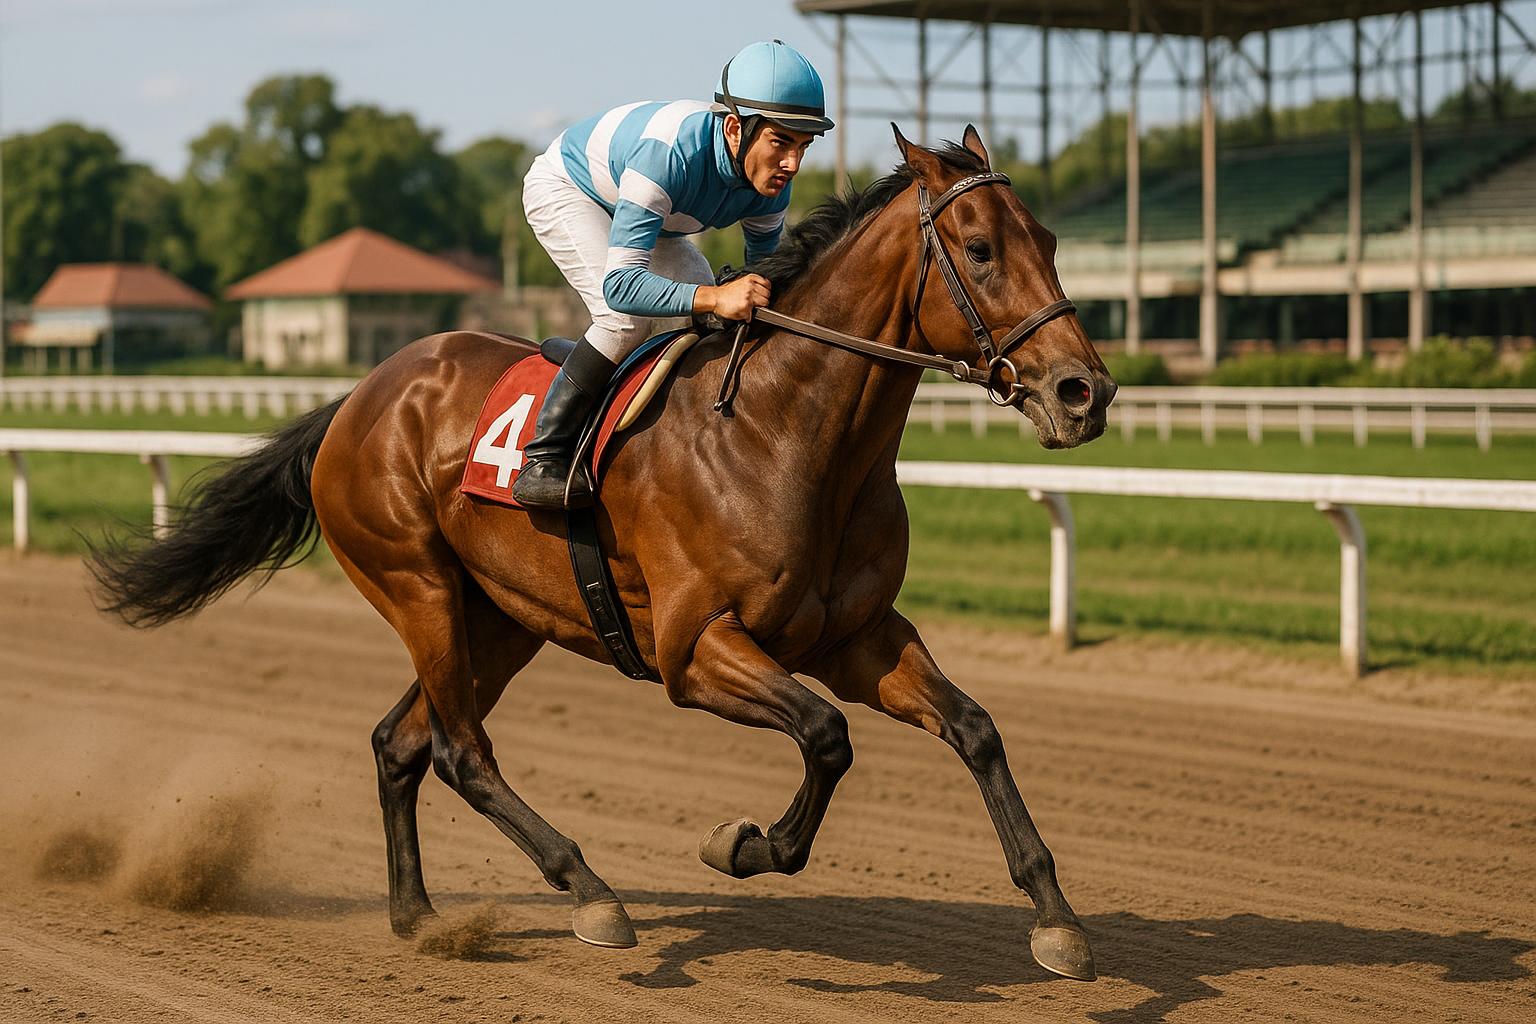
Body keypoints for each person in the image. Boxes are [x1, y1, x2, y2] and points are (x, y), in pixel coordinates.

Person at [513, 39, 834, 509]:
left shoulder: (771, 187)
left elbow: (764, 279)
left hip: (653, 215)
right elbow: (621, 286)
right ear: (734, 128)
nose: (792, 164)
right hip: (569, 190)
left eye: (803, 146)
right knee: (623, 321)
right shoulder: (669, 156)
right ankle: (545, 458)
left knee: (696, 314)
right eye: (780, 142)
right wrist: (717, 297)